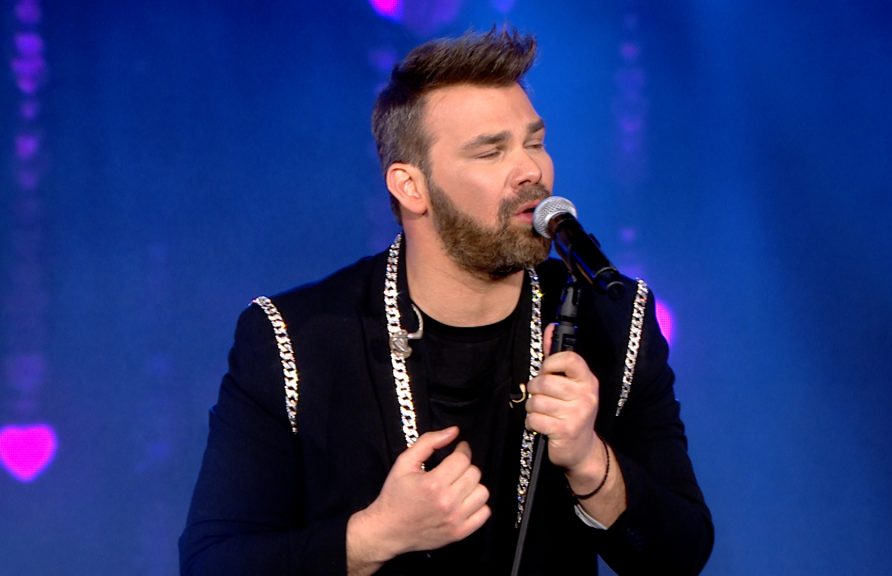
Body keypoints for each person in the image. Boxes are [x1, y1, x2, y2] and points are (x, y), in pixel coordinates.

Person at [179, 27, 713, 575]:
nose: (532, 171)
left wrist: (590, 462)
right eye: (491, 151)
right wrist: (375, 535)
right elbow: (212, 564)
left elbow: (679, 556)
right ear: (411, 187)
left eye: (534, 142)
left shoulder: (614, 319)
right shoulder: (292, 338)